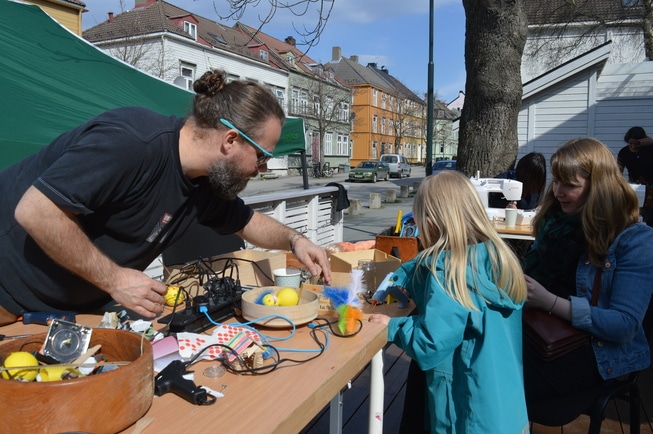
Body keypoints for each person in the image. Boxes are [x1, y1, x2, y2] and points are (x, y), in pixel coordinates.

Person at [0, 69, 331, 325]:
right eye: (262, 156)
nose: (261, 169)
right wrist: (115, 279)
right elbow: (36, 211)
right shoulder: (131, 141)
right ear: (231, 139)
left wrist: (295, 240)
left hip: (70, 312)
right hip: (7, 296)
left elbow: (245, 221)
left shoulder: (204, 182)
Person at [369, 171, 529, 433]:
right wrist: (408, 273)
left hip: (465, 411)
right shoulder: (494, 256)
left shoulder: (448, 274)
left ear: (430, 224)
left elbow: (429, 344)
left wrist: (392, 326)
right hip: (503, 405)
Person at [522, 138, 653, 416]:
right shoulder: (554, 224)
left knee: (478, 379)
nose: (557, 192)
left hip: (592, 354)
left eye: (569, 185)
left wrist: (549, 301)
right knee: (440, 363)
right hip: (535, 335)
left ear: (598, 188)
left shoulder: (634, 240)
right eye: (555, 181)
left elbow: (625, 325)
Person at [618, 126, 653, 224]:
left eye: (637, 144)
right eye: (631, 144)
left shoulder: (650, 149)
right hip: (635, 185)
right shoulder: (624, 152)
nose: (633, 146)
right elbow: (618, 170)